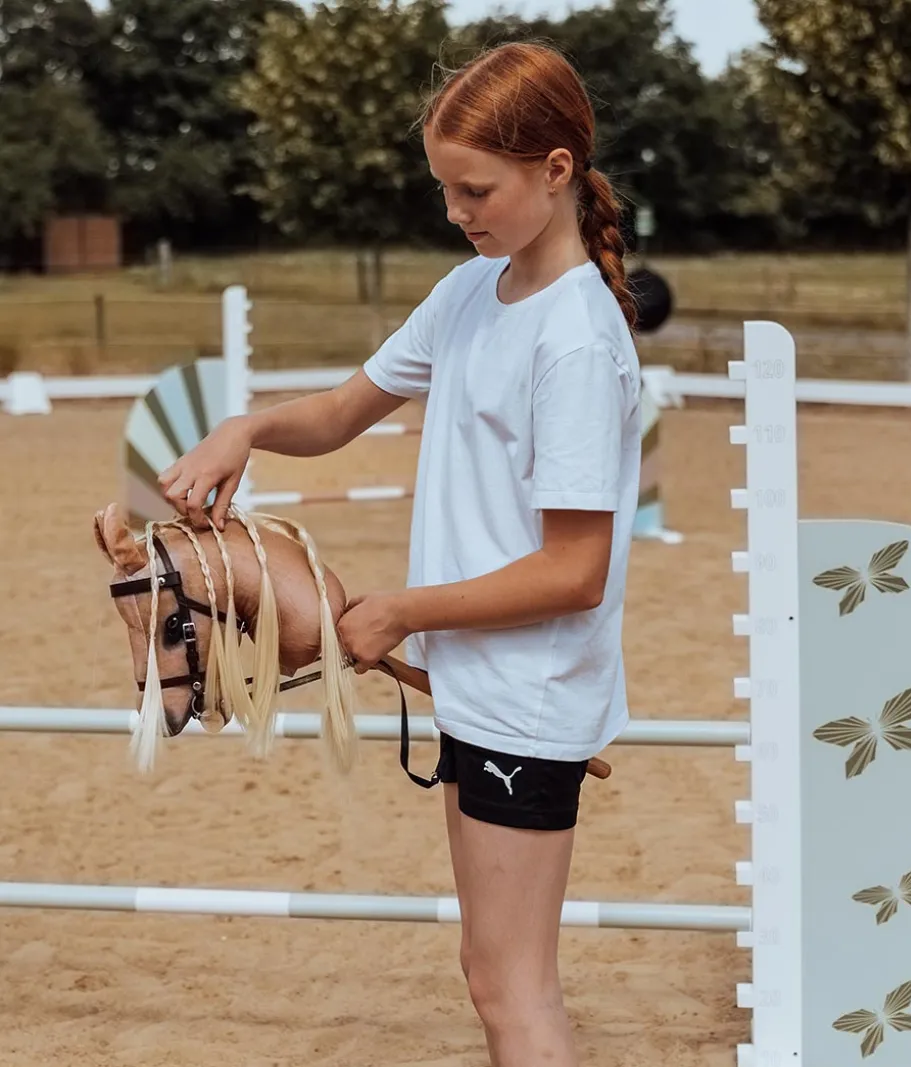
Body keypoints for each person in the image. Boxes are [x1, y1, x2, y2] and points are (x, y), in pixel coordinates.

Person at [159, 40, 643, 1067]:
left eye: (477, 189)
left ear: (556, 170)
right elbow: (344, 410)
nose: (457, 212)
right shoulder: (471, 291)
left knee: (514, 989)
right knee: (492, 975)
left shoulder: (574, 339)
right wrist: (248, 427)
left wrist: (403, 610)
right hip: (478, 683)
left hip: (528, 695)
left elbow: (576, 571)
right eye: (444, 190)